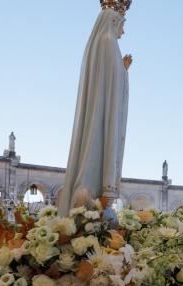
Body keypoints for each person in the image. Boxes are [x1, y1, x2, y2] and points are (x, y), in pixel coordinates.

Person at [58, 1, 131, 216]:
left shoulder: (99, 42)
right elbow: (112, 89)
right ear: (114, 20)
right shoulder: (108, 42)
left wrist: (123, 70)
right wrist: (124, 73)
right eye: (122, 25)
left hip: (98, 114)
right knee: (100, 152)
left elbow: (108, 82)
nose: (123, 31)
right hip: (103, 119)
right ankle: (97, 200)